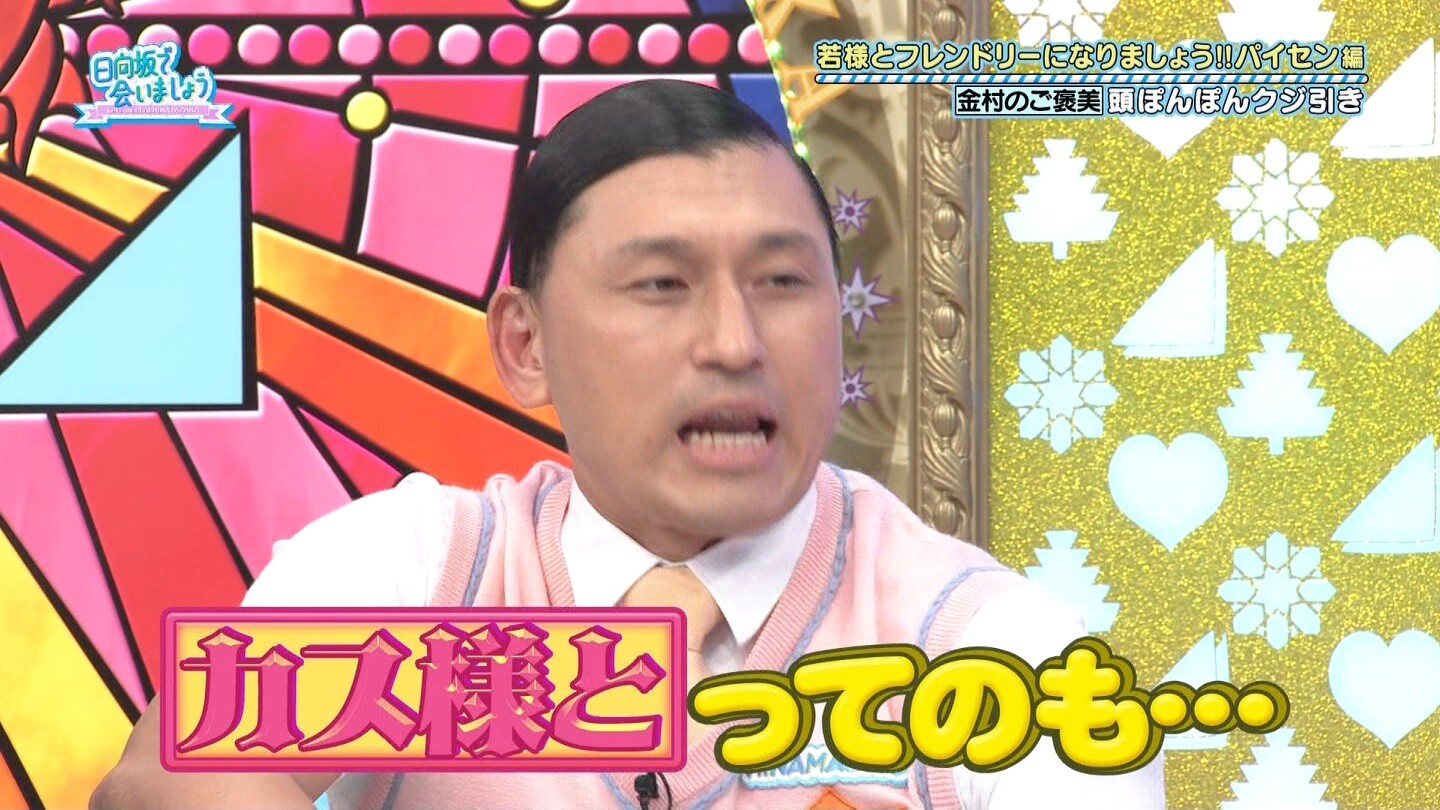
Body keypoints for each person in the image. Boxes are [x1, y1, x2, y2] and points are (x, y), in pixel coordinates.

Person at [93, 78, 1165, 810]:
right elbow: (167, 777)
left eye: (782, 281)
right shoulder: (417, 568)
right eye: (661, 284)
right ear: (527, 346)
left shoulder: (995, 654)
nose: (735, 342)